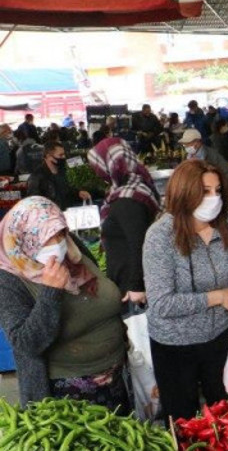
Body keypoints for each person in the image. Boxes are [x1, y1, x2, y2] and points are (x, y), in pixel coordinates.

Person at [143, 160, 228, 420]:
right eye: (205, 191)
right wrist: (219, 297)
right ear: (184, 192)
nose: (213, 198)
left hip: (223, 336)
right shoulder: (160, 237)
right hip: (176, 344)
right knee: (182, 418)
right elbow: (161, 303)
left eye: (217, 191)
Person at [0, 197, 128, 408]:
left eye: (59, 233)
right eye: (46, 238)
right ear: (22, 238)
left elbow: (98, 294)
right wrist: (51, 292)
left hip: (116, 376)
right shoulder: (9, 278)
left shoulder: (72, 247)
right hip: (67, 392)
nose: (57, 244)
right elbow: (26, 344)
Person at [87, 138, 161, 305]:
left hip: (132, 290)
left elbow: (139, 244)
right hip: (131, 282)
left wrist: (136, 286)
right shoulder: (134, 187)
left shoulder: (128, 199)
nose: (98, 172)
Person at [24, 141, 89, 211]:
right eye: (60, 155)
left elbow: (69, 191)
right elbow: (34, 203)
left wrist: (78, 193)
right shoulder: (37, 177)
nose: (64, 157)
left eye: (64, 154)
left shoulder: (64, 171)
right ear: (48, 156)